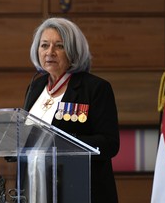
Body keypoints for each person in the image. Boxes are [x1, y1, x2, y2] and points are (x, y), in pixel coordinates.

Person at [23, 17, 120, 203]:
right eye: (44, 45)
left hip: (79, 191)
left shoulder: (95, 88)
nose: (50, 52)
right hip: (36, 190)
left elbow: (109, 144)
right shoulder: (35, 88)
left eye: (59, 46)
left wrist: (61, 143)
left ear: (74, 51)